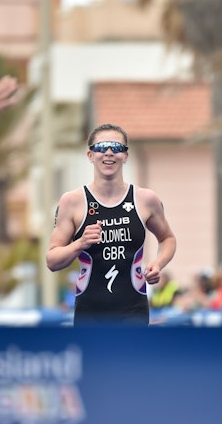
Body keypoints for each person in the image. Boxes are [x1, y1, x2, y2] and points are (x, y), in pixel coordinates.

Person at [46, 123, 177, 325]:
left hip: (133, 308)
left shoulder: (145, 199)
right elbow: (52, 261)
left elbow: (168, 238)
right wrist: (80, 244)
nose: (108, 152)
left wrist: (158, 264)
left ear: (125, 155)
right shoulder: (72, 202)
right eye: (101, 147)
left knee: (130, 347)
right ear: (90, 155)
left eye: (116, 147)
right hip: (90, 310)